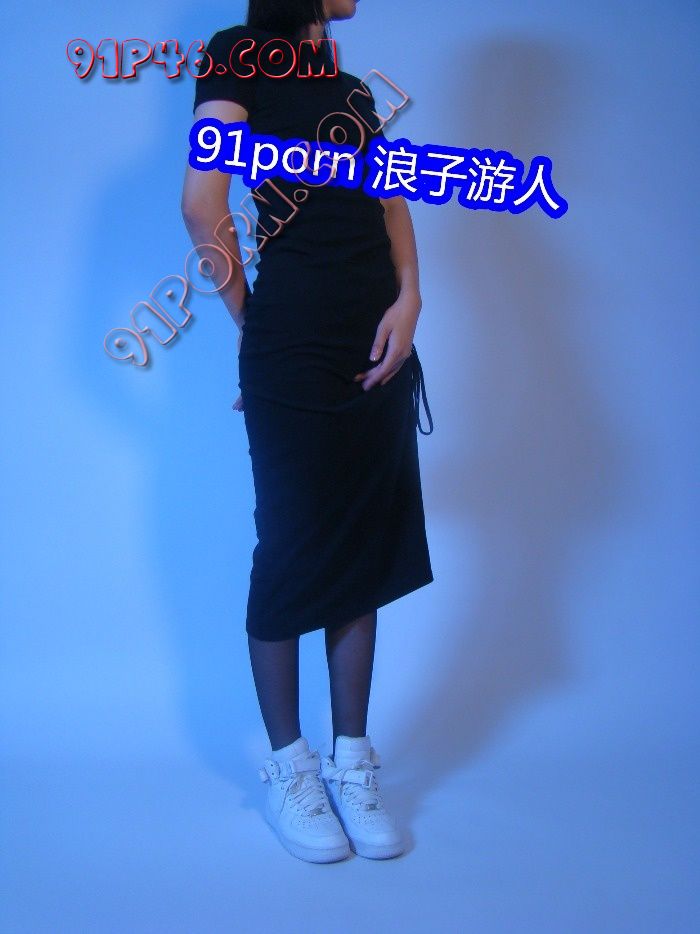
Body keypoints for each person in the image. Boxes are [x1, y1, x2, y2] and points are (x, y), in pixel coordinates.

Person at [181, 0, 434, 863]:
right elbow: (201, 204)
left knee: (363, 541)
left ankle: (352, 762)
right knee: (293, 544)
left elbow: (390, 199)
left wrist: (411, 296)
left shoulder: (351, 90)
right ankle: (290, 766)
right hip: (293, 337)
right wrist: (254, 324)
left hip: (377, 338)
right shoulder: (237, 53)